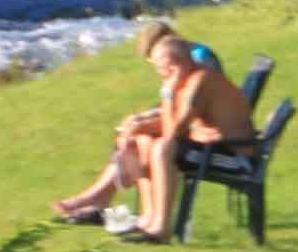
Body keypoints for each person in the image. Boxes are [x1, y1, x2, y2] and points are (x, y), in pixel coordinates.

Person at [49, 24, 253, 238]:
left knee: (163, 147)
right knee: (143, 141)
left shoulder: (199, 82)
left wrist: (167, 93)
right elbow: (171, 123)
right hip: (211, 147)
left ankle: (160, 227)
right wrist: (142, 125)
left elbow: (175, 131)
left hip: (235, 156)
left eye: (160, 70)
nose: (160, 76)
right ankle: (149, 219)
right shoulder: (190, 78)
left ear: (173, 68)